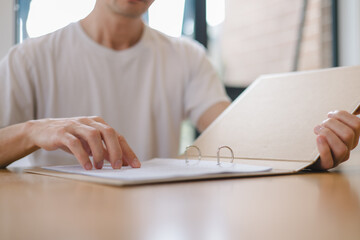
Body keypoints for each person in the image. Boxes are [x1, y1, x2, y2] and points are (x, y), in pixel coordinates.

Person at [0, 0, 359, 171]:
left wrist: (314, 146)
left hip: (157, 219)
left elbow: (238, 133)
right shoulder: (29, 59)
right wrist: (34, 131)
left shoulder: (187, 57)